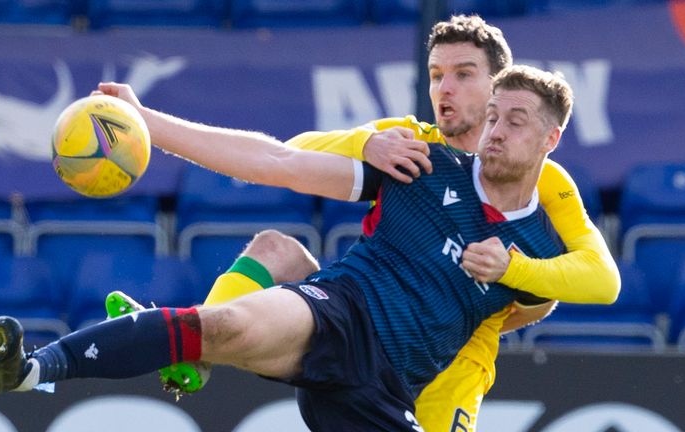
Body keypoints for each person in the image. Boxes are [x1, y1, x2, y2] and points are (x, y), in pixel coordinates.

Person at [0, 66, 608, 431]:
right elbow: (272, 158)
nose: (495, 129)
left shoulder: (538, 245)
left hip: (385, 396)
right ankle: (32, 368)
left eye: (515, 121)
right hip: (338, 315)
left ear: (551, 140)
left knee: (261, 282)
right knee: (226, 323)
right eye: (493, 114)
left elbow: (601, 284)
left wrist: (517, 269)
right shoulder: (419, 163)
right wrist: (151, 125)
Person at [137, 14, 619, 432]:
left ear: (500, 86)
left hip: (451, 364)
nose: (444, 89)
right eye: (435, 75)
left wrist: (512, 284)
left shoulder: (545, 178)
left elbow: (572, 280)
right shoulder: (411, 145)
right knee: (274, 249)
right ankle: (191, 353)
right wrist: (361, 144)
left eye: (463, 75)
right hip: (370, 324)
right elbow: (287, 155)